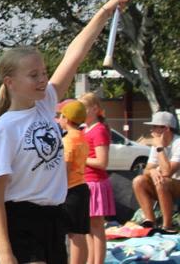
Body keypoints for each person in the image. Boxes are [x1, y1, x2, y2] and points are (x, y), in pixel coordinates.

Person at [0, 0, 125, 264]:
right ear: (10, 82)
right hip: (21, 220)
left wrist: (104, 13)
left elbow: (73, 56)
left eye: (43, 72)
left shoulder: (44, 106)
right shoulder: (4, 130)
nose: (43, 79)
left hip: (53, 217)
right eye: (34, 75)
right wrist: (5, 253)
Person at [131, 110, 180, 233]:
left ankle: (167, 226)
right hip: (165, 184)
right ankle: (150, 221)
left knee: (162, 181)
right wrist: (152, 171)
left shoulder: (177, 143)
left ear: (166, 129)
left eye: (154, 127)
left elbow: (168, 172)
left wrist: (159, 148)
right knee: (138, 181)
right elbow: (147, 169)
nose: (151, 130)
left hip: (175, 184)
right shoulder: (157, 144)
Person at [78, 92, 112, 264]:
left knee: (97, 227)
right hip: (86, 181)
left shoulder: (98, 130)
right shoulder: (85, 130)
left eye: (84, 108)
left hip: (95, 183)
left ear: (95, 109)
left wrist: (80, 158)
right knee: (89, 228)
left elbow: (102, 161)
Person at [58, 99, 90, 264]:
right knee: (80, 234)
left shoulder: (68, 140)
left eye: (60, 116)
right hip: (82, 187)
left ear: (66, 118)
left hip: (71, 190)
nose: (58, 119)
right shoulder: (82, 137)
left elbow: (65, 167)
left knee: (73, 235)